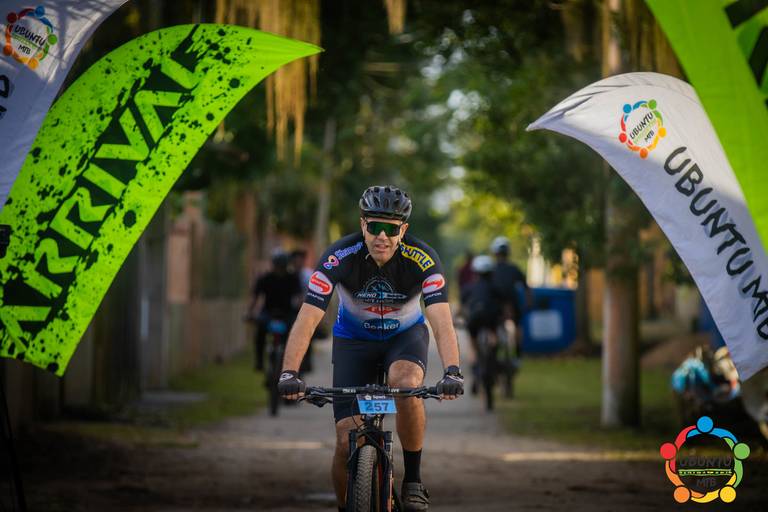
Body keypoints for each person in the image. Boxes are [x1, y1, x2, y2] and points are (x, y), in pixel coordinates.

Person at [277, 185, 464, 512]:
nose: (382, 236)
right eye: (374, 226)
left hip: (404, 337)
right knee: (344, 440)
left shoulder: (422, 258)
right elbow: (308, 317)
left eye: (391, 229)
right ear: (362, 224)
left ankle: (413, 480)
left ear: (403, 230)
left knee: (406, 385)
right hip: (354, 342)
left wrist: (452, 371)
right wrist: (289, 372)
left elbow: (441, 321)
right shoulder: (339, 256)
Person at [247, 251, 302, 371]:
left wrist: (300, 312)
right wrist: (250, 312)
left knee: (295, 336)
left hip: (286, 314)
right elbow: (255, 297)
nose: (280, 269)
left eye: (281, 266)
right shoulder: (265, 278)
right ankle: (259, 361)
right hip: (269, 313)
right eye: (278, 266)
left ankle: (296, 364)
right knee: (260, 333)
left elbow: (299, 297)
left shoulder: (293, 278)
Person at [489, 236, 529, 349]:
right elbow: (526, 287)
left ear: (495, 253)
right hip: (512, 303)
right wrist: (528, 302)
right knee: (517, 325)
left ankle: (494, 350)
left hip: (496, 303)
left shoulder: (491, 270)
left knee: (493, 326)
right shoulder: (514, 268)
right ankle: (518, 351)